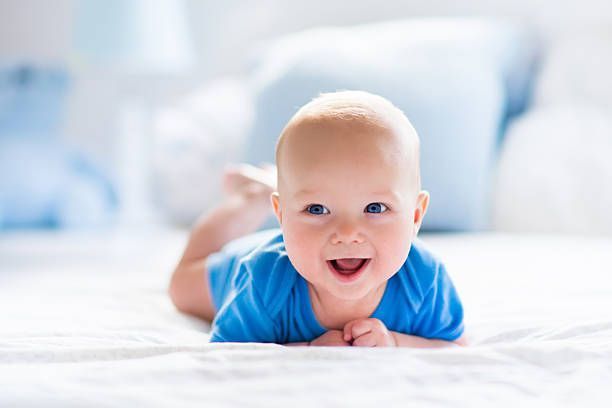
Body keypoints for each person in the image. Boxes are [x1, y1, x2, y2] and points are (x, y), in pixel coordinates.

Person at [169, 90, 466, 347]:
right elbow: (229, 355)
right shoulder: (263, 280)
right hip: (236, 268)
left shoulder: (425, 280)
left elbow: (452, 345)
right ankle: (252, 199)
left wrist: (395, 341)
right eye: (317, 209)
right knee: (181, 287)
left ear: (415, 216)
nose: (348, 233)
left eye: (375, 208)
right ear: (282, 215)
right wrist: (308, 346)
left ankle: (280, 189)